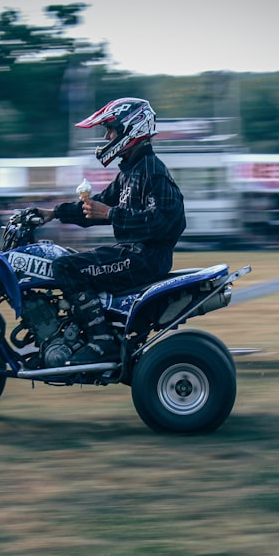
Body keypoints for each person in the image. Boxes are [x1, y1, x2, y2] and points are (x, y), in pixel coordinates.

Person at [37, 97, 186, 365]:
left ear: (132, 129)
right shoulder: (130, 172)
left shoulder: (154, 171)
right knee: (63, 257)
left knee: (66, 268)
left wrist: (111, 214)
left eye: (111, 130)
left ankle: (101, 341)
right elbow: (96, 207)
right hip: (131, 253)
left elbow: (166, 222)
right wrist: (52, 213)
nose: (107, 136)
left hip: (144, 258)